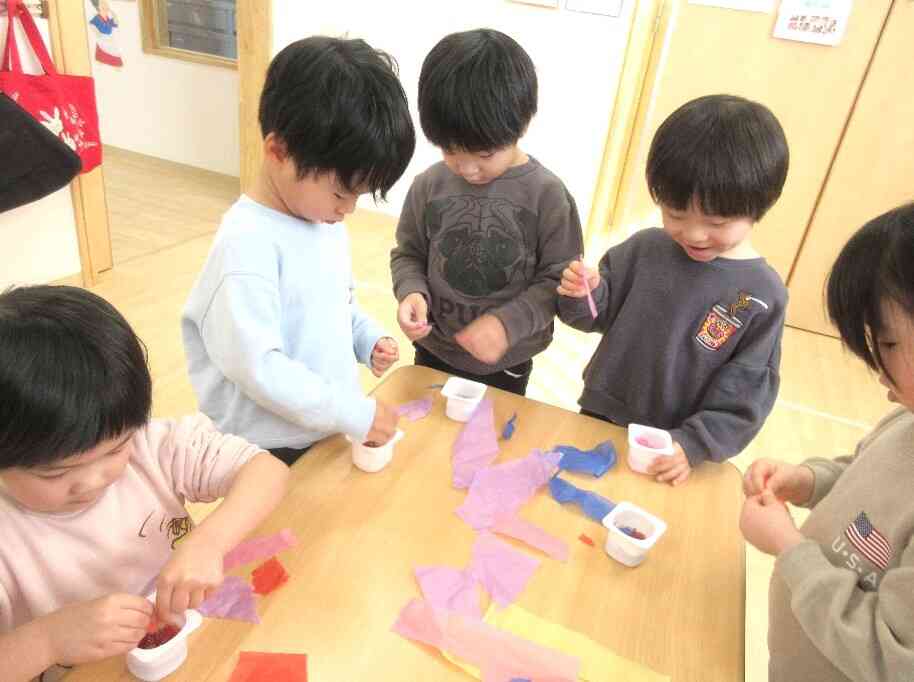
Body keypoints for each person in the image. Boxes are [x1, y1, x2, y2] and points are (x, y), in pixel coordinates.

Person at [0, 286, 289, 682]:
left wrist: (208, 542)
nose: (95, 478)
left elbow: (267, 471)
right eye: (56, 473)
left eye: (115, 449)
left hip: (194, 646)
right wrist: (47, 641)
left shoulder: (149, 446)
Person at [183, 36, 416, 464]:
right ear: (278, 152)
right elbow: (260, 368)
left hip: (320, 425)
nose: (347, 209)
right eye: (342, 192)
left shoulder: (319, 219)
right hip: (263, 447)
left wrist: (365, 338)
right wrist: (353, 412)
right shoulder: (246, 248)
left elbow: (333, 306)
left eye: (360, 196)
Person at [558, 94, 789, 485]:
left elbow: (744, 397)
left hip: (676, 447)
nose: (694, 234)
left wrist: (694, 444)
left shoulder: (761, 295)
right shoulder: (644, 249)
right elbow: (593, 315)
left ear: (759, 208)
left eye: (716, 222)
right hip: (601, 413)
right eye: (675, 215)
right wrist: (583, 293)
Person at [742, 203, 914, 682]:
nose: (878, 368)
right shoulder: (906, 420)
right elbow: (865, 471)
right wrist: (807, 480)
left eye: (889, 345)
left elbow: (890, 658)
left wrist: (788, 547)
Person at [390, 28, 584, 396]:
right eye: (449, 151)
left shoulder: (548, 196)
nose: (466, 169)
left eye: (483, 155)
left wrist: (507, 324)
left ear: (522, 124)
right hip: (434, 349)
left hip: (506, 362)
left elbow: (558, 281)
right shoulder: (428, 185)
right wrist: (411, 291)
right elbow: (408, 254)